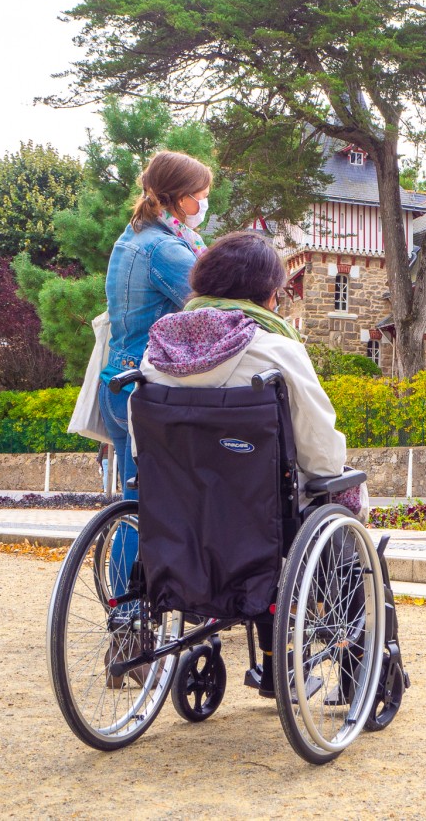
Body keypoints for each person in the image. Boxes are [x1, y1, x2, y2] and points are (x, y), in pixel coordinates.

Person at [141, 230, 350, 696]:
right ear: (268, 293)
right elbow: (321, 451)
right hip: (262, 518)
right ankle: (345, 657)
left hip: (181, 519)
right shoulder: (276, 350)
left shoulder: (155, 355)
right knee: (337, 498)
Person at [101, 150, 212, 499]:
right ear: (181, 199)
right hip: (148, 386)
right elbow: (213, 306)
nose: (205, 206)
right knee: (155, 512)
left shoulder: (133, 236)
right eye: (202, 198)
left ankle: (118, 555)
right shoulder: (166, 248)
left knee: (134, 508)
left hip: (118, 381)